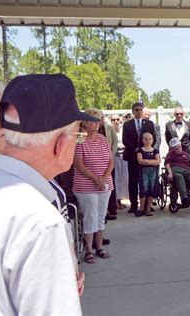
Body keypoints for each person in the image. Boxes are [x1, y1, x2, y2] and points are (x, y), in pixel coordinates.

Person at [0, 74, 97, 314]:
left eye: (0, 117)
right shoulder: (38, 222)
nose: (1, 127)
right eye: (77, 136)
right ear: (61, 144)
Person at [73, 110, 114, 264]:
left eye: (98, 121)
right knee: (90, 217)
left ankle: (99, 247)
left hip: (104, 184)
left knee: (101, 217)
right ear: (84, 123)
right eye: (93, 121)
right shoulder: (80, 139)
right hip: (85, 186)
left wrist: (102, 179)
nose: (96, 124)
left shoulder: (103, 139)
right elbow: (79, 165)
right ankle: (89, 250)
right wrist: (95, 179)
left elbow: (111, 161)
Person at [122, 102, 156, 214]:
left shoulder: (149, 124)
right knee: (133, 181)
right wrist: (136, 150)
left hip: (146, 156)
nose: (139, 112)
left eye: (141, 110)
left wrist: (144, 150)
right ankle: (134, 205)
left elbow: (153, 139)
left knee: (146, 181)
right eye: (136, 110)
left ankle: (147, 205)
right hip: (132, 156)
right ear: (133, 111)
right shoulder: (127, 125)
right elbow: (125, 140)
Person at [164, 138, 190, 208]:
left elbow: (189, 166)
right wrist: (170, 173)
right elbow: (167, 164)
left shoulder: (186, 155)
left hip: (186, 170)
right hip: (175, 169)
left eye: (179, 147)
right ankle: (184, 197)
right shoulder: (170, 154)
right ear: (172, 149)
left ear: (181, 145)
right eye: (175, 148)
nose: (178, 149)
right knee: (179, 177)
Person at [137, 132, 160, 216]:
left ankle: (148, 209)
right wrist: (152, 162)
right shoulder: (140, 150)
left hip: (153, 174)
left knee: (151, 190)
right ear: (143, 140)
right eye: (146, 139)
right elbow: (140, 161)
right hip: (143, 174)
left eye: (150, 139)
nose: (148, 141)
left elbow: (158, 161)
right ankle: (141, 208)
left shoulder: (155, 151)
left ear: (153, 140)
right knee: (143, 189)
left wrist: (147, 161)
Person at [111, 113, 128, 209]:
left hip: (124, 156)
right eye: (113, 120)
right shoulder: (110, 130)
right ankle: (116, 201)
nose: (116, 121)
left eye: (117, 119)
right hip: (115, 157)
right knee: (116, 179)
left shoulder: (123, 129)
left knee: (123, 179)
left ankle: (120, 199)